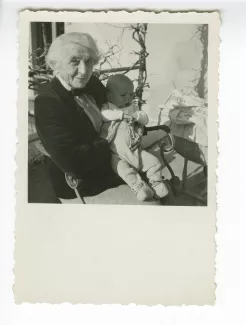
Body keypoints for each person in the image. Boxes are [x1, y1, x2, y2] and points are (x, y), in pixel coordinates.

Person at [34, 32, 123, 203]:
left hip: (111, 163)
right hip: (80, 183)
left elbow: (113, 112)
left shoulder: (92, 83)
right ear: (56, 65)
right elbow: (72, 162)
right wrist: (111, 142)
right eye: (74, 61)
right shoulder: (47, 102)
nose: (84, 71)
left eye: (89, 61)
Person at [100, 74, 169, 201]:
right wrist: (120, 115)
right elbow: (103, 115)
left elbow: (145, 119)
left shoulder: (132, 108)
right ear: (110, 96)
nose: (128, 98)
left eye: (131, 95)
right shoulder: (108, 107)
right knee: (123, 170)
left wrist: (135, 115)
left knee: (154, 162)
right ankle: (139, 187)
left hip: (135, 150)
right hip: (117, 154)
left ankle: (156, 182)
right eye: (123, 95)